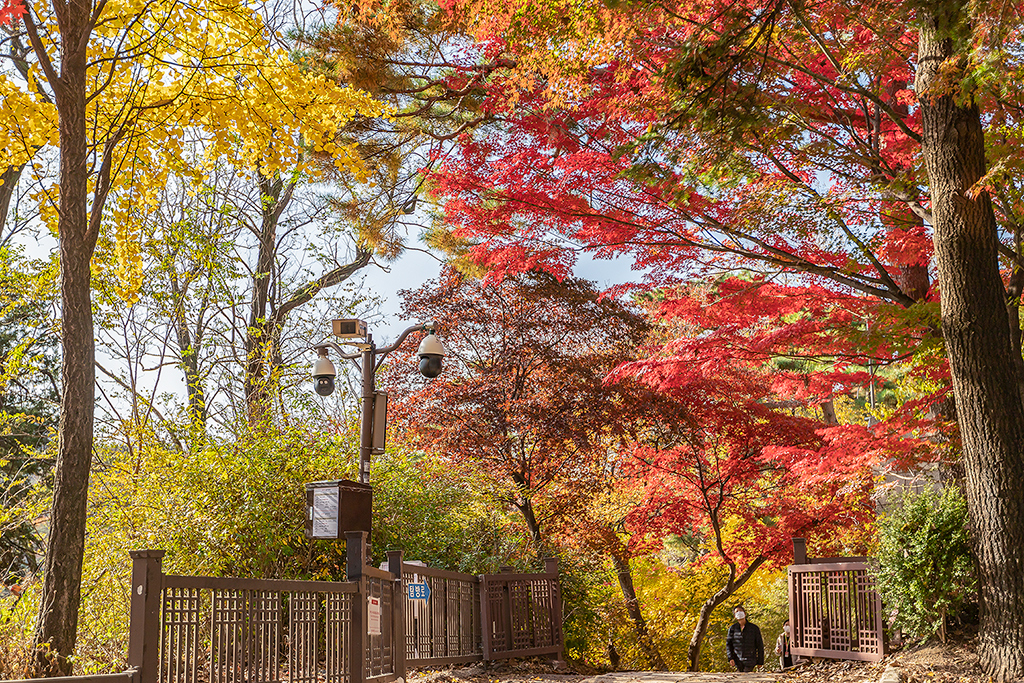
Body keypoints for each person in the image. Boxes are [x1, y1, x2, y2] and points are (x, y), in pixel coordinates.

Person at [726, 605, 764, 672]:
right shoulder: (732, 628)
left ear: (745, 613)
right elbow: (729, 644)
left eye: (740, 611)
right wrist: (730, 658)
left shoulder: (754, 628)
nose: (739, 613)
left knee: (746, 676)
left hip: (750, 660)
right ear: (734, 616)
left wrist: (760, 661)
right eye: (737, 612)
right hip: (737, 660)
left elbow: (760, 645)